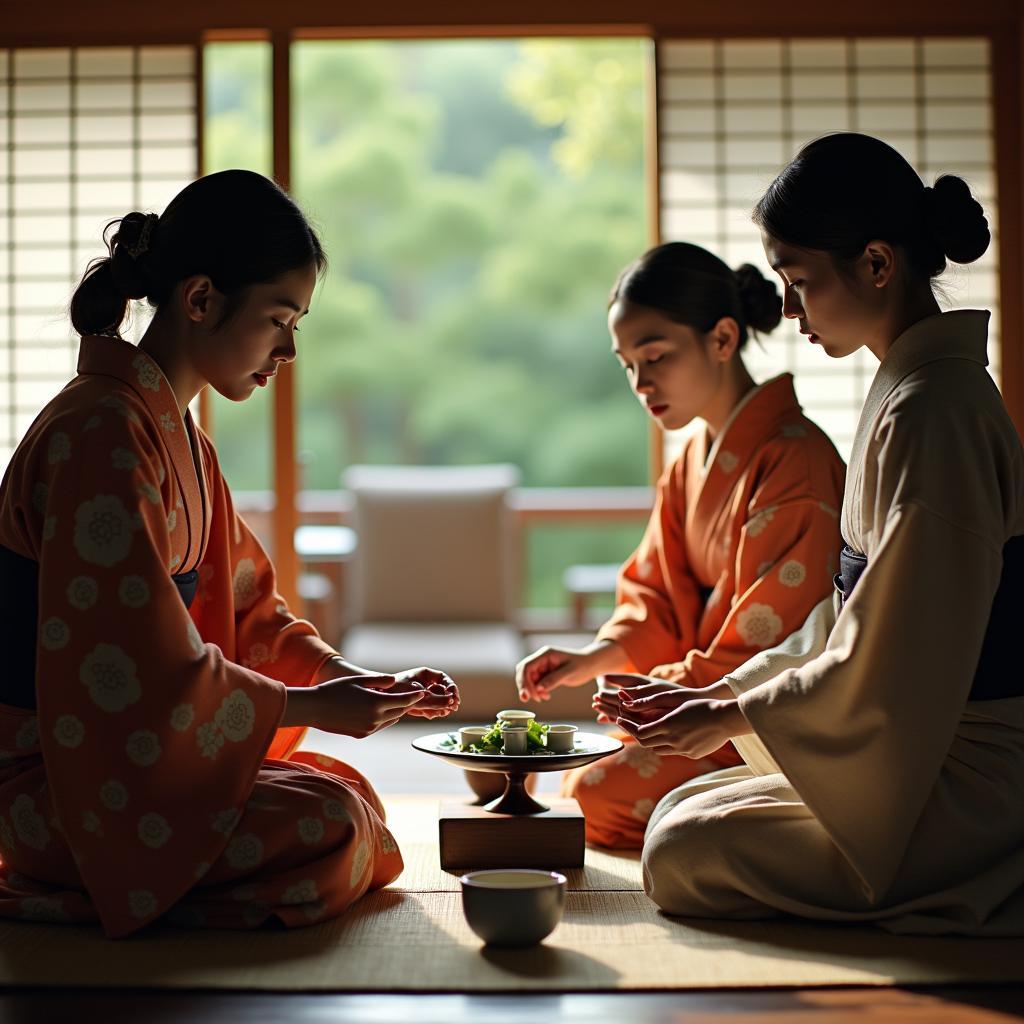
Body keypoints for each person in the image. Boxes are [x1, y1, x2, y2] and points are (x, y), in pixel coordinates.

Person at [0, 170, 460, 937]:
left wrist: (348, 680)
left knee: (344, 798)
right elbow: (138, 674)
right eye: (279, 318)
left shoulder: (178, 439)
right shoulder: (101, 436)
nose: (287, 350)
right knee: (333, 826)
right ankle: (87, 892)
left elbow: (249, 609)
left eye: (296, 325)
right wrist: (314, 707)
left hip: (122, 768)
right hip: (59, 787)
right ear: (202, 299)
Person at [633, 133, 1024, 935]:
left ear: (877, 265)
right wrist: (718, 695)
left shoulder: (935, 411)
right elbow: (846, 621)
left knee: (680, 850)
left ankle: (1000, 868)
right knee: (678, 808)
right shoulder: (910, 392)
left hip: (967, 766)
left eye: (799, 279)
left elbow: (887, 655)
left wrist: (724, 716)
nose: (786, 309)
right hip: (917, 743)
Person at [515, 242, 845, 848]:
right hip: (699, 699)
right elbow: (656, 598)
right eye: (627, 365)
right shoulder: (691, 460)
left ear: (722, 339)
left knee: (591, 791)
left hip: (755, 720)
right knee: (565, 769)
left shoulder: (795, 460)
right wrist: (595, 658)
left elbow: (768, 645)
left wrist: (659, 691)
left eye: (656, 356)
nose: (641, 382)